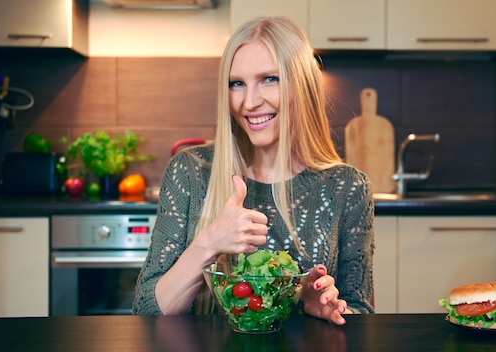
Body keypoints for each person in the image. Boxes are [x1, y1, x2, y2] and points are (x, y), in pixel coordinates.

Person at [133, 16, 375, 324]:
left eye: (269, 79)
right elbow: (146, 310)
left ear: (302, 85)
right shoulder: (190, 172)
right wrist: (208, 243)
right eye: (237, 84)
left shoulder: (348, 187)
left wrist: (325, 307)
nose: (249, 102)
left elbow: (362, 314)